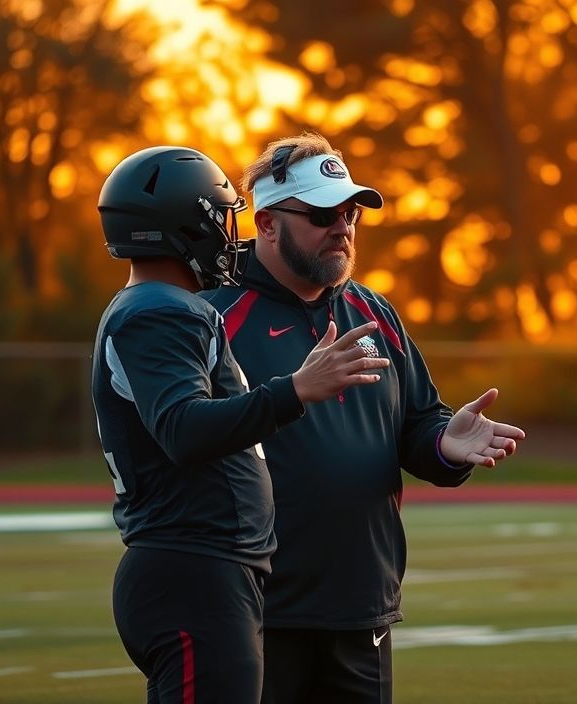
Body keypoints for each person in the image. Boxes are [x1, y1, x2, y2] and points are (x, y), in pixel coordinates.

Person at [200, 132, 527, 704]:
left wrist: (447, 446)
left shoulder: (373, 312)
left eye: (350, 212)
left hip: (360, 606)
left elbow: (420, 427)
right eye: (324, 213)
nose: (343, 227)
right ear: (269, 222)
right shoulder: (212, 318)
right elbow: (186, 434)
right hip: (252, 609)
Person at [92, 145, 391, 703]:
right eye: (220, 218)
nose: (230, 237)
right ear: (188, 225)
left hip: (205, 570)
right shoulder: (160, 309)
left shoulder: (166, 305)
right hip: (193, 570)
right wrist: (297, 390)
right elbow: (183, 428)